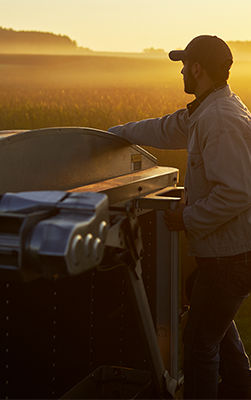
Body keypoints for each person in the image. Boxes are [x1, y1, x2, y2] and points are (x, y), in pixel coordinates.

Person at [108, 35, 251, 399]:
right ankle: (241, 386)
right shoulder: (207, 110)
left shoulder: (220, 120)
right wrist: (111, 136)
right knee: (215, 328)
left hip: (231, 257)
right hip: (224, 256)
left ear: (198, 68)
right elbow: (163, 128)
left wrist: (187, 218)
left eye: (185, 66)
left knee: (200, 345)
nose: (182, 72)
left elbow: (236, 192)